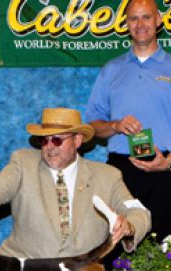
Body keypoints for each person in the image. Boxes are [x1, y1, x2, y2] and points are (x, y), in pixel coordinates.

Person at [0, 108, 151, 261]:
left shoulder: (108, 176)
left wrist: (130, 226)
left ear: (77, 140)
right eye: (44, 140)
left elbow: (139, 212)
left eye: (57, 140)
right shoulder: (23, 163)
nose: (49, 147)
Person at [86, 0, 171, 241]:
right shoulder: (111, 69)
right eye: (134, 18)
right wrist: (114, 125)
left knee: (165, 246)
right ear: (126, 24)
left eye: (146, 17)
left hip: (165, 170)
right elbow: (92, 126)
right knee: (119, 242)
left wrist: (168, 163)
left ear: (158, 20)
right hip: (120, 173)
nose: (140, 24)